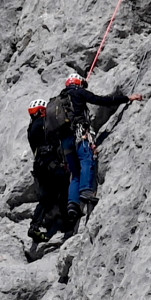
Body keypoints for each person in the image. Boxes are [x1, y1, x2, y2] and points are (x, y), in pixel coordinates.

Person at [47, 73, 141, 223]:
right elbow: (100, 100)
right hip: (80, 134)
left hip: (65, 142)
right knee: (87, 160)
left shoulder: (58, 101)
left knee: (75, 173)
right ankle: (86, 192)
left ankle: (73, 204)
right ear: (78, 83)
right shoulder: (78, 92)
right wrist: (125, 99)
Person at [25, 98, 73, 253]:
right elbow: (58, 127)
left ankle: (34, 226)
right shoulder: (43, 123)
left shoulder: (31, 128)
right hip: (50, 162)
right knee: (64, 187)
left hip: (40, 167)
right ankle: (68, 222)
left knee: (46, 198)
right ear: (41, 111)